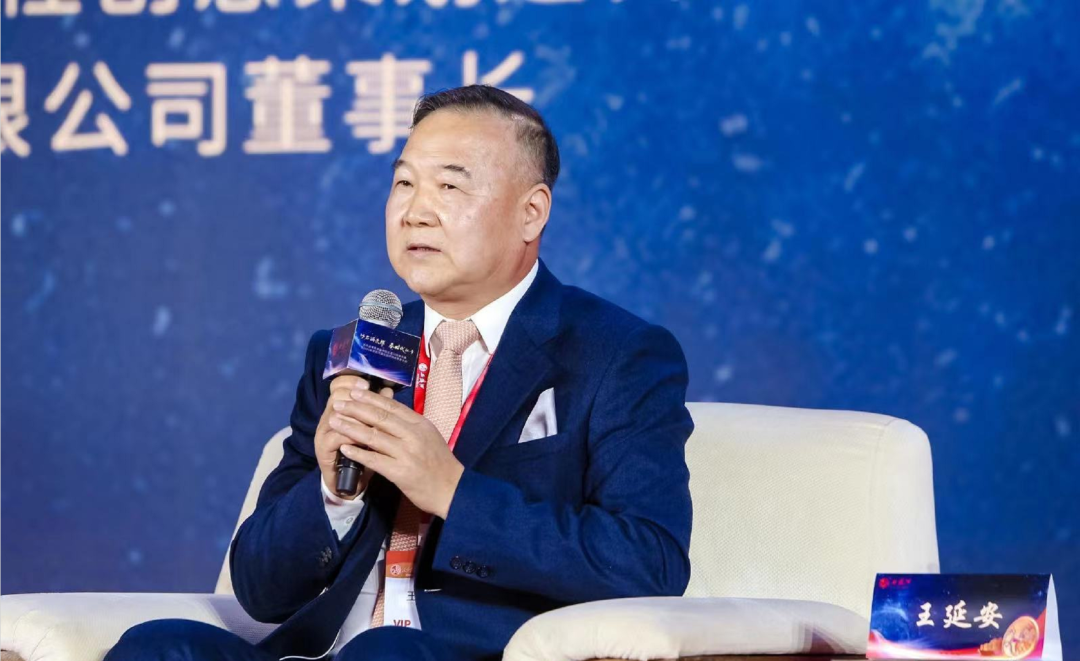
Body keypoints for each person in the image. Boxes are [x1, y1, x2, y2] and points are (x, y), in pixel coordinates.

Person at [106, 85, 694, 661]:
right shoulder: (353, 352)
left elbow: (650, 563)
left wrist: (453, 492)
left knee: (385, 653)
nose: (415, 213)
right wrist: (333, 494)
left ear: (531, 212)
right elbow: (260, 590)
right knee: (157, 647)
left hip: (460, 654)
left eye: (449, 186)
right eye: (404, 184)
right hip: (321, 651)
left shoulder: (615, 354)